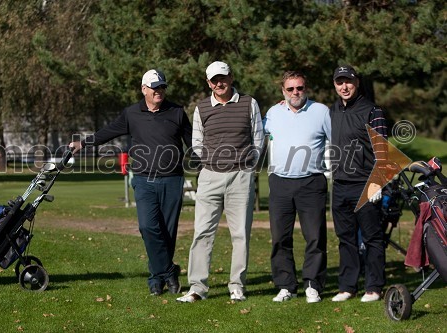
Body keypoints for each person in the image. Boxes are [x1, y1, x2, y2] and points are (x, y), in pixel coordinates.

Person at [69, 69, 192, 296]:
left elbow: (193, 142)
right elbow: (109, 132)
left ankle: (156, 278)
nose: (159, 91)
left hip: (172, 180)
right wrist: (83, 143)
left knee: (168, 232)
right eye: (155, 87)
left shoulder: (177, 112)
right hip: (144, 180)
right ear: (143, 89)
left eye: (162, 87)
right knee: (147, 227)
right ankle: (168, 271)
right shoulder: (132, 113)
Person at [176, 61, 264, 303]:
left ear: (231, 77)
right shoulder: (202, 108)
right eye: (214, 80)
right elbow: (196, 142)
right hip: (210, 176)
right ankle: (197, 287)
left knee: (240, 234)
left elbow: (258, 137)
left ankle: (237, 285)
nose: (219, 83)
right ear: (208, 83)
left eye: (222, 78)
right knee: (202, 232)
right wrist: (211, 162)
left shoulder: (249, 103)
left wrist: (247, 165)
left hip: (240, 176)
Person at [263, 71, 331, 303]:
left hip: (311, 182)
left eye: (299, 88)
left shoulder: (321, 111)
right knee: (280, 237)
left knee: (314, 237)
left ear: (306, 88)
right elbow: (256, 133)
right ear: (283, 91)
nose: (295, 93)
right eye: (290, 89)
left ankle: (313, 284)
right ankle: (286, 286)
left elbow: (337, 140)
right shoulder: (273, 112)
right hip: (280, 182)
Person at [329, 65, 387, 303]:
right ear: (334, 85)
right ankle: (347, 286)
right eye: (340, 82)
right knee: (346, 238)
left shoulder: (372, 111)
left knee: (372, 238)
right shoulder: (331, 111)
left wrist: (377, 184)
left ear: (357, 83)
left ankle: (373, 287)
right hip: (340, 184)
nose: (344, 86)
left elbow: (383, 152)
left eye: (349, 82)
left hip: (365, 184)